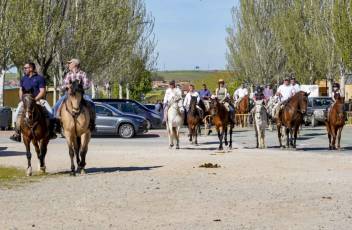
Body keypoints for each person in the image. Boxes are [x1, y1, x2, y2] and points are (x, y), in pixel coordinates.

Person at [10, 62, 56, 142]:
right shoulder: (23, 78)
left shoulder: (40, 78)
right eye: (24, 68)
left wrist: (34, 100)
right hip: (26, 101)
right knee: (16, 113)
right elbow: (21, 90)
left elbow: (42, 91)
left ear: (31, 68)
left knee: (51, 113)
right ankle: (17, 133)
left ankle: (51, 132)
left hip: (38, 100)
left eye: (26, 68)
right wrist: (22, 99)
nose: (24, 69)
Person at [52, 58, 96, 131]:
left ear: (75, 64)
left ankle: (92, 122)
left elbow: (87, 85)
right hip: (69, 95)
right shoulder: (68, 74)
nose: (68, 65)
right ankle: (56, 123)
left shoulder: (82, 73)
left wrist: (80, 87)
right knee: (57, 105)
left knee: (91, 104)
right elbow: (62, 86)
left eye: (70, 63)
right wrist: (66, 86)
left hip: (81, 94)